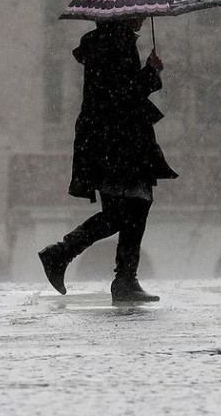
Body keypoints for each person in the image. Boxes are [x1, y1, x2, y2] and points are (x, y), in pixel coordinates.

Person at [38, 16, 177, 303]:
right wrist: (150, 73)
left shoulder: (104, 42)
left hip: (105, 141)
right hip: (119, 142)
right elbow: (122, 95)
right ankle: (116, 276)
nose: (141, 15)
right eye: (137, 11)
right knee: (135, 204)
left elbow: (113, 92)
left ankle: (96, 267)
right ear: (123, 16)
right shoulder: (118, 43)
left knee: (123, 210)